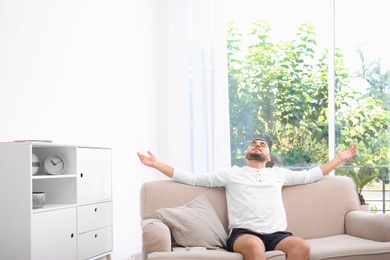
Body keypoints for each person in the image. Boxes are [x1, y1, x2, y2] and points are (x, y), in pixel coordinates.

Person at [137, 138, 357, 260]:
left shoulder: (278, 174)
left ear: (268, 157)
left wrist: (339, 159)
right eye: (254, 143)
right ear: (245, 154)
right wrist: (157, 164)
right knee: (254, 244)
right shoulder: (231, 173)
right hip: (244, 234)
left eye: (262, 145)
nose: (258, 145)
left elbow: (311, 175)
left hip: (277, 234)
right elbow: (193, 178)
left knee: (301, 246)